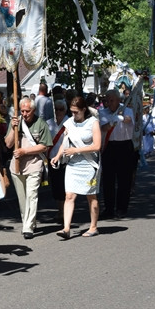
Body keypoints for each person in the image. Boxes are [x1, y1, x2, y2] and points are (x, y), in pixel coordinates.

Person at [51, 96, 102, 238]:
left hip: (89, 165)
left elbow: (97, 146)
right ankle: (66, 228)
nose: (73, 115)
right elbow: (65, 142)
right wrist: (58, 156)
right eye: (72, 112)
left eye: (76, 112)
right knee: (69, 195)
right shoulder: (69, 123)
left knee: (91, 196)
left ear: (83, 109)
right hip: (73, 164)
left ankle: (93, 227)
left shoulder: (93, 123)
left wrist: (76, 150)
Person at [4, 95, 50, 239]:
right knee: (22, 198)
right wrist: (13, 129)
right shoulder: (16, 122)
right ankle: (29, 221)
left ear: (33, 110)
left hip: (34, 164)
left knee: (31, 195)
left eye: (27, 111)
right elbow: (8, 144)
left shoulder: (41, 123)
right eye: (22, 111)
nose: (24, 114)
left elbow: (45, 146)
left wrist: (25, 151)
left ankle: (28, 227)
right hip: (17, 165)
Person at [97, 89, 135, 219]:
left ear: (118, 100)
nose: (109, 102)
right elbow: (103, 128)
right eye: (107, 100)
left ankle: (122, 208)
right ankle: (109, 209)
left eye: (112, 100)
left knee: (124, 179)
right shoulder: (102, 112)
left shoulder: (126, 110)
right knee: (108, 180)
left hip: (124, 146)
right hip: (110, 147)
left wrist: (122, 118)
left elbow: (129, 120)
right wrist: (111, 122)